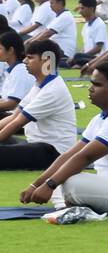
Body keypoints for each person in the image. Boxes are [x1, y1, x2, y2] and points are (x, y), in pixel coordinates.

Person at [17, 61, 108, 215]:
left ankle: (69, 205)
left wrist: (49, 185)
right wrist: (36, 185)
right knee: (63, 176)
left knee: (70, 182)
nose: (90, 88)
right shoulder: (100, 118)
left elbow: (85, 157)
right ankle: (70, 204)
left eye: (97, 84)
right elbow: (68, 155)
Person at [0, 42, 77, 170]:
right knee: (8, 140)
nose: (24, 61)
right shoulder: (40, 85)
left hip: (53, 152)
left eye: (30, 57)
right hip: (36, 145)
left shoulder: (52, 90)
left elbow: (18, 123)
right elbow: (14, 116)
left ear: (46, 60)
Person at [0, 31, 34, 115]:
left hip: (17, 118)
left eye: (0, 48)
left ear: (11, 50)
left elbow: (11, 104)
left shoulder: (20, 70)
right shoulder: (15, 69)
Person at [72, 0, 108, 68]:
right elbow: (85, 47)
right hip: (87, 57)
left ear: (91, 9)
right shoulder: (86, 26)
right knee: (69, 58)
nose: (80, 11)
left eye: (82, 8)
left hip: (98, 58)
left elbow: (98, 48)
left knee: (77, 56)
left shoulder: (99, 24)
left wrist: (82, 55)